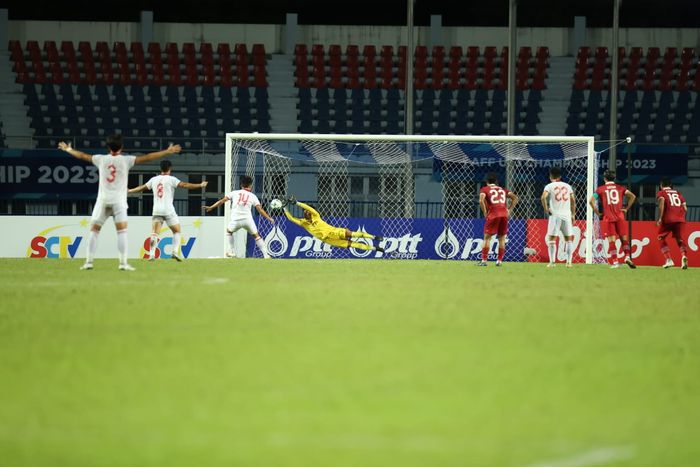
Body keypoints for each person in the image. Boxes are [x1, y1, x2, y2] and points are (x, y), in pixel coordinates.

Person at [58, 135, 182, 271]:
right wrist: (166, 151)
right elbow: (147, 157)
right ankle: (123, 264)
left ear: (108, 147)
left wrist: (68, 149)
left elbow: (83, 156)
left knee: (94, 231)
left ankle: (88, 262)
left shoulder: (101, 159)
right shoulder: (126, 160)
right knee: (122, 232)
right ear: (121, 147)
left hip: (103, 200)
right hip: (119, 202)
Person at [127, 160, 208, 261]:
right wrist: (199, 185)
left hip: (157, 210)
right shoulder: (171, 179)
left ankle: (151, 255)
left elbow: (142, 188)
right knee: (177, 231)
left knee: (154, 233)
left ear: (160, 169)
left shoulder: (154, 179)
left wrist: (130, 191)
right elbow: (184, 185)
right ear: (170, 169)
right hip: (168, 210)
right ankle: (174, 252)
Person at [204, 175, 274, 258]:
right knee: (256, 236)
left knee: (229, 232)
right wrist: (269, 218)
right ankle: (266, 255)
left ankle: (232, 251)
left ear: (241, 185)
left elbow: (221, 201)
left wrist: (211, 207)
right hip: (248, 220)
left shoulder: (234, 193)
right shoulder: (253, 196)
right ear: (250, 185)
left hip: (236, 220)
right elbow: (260, 210)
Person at [283, 196, 385, 253]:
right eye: (304, 211)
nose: (305, 212)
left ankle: (374, 237)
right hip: (329, 240)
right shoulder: (303, 223)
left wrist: (296, 203)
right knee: (354, 245)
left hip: (335, 231)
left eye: (306, 211)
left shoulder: (316, 215)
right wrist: (284, 207)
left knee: (353, 234)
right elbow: (291, 218)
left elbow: (309, 208)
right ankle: (375, 248)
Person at [589, 169, 637, 268]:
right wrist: (626, 208)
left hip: (608, 218)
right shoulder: (620, 188)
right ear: (614, 178)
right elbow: (633, 196)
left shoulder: (600, 189)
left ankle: (615, 262)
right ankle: (627, 257)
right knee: (624, 239)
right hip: (620, 217)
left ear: (604, 178)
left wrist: (597, 212)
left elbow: (591, 201)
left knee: (612, 241)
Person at [477, 172, 519, 267]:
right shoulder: (503, 190)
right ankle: (499, 261)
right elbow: (515, 198)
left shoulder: (485, 189)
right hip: (504, 214)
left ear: (486, 181)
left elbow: (481, 200)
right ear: (496, 181)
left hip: (493, 214)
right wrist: (509, 210)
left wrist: (484, 212)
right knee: (502, 238)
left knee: (487, 238)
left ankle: (484, 261)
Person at [540, 167, 576, 268]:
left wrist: (546, 209)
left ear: (550, 176)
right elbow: (573, 200)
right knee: (569, 239)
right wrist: (573, 214)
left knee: (552, 239)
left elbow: (543, 197)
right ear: (560, 176)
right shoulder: (568, 186)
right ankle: (569, 262)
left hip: (555, 216)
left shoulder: (549, 186)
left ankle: (552, 262)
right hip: (567, 216)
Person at [656, 177, 688, 269]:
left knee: (660, 237)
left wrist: (660, 218)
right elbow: (685, 209)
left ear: (661, 185)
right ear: (670, 185)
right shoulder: (678, 193)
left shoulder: (661, 193)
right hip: (680, 220)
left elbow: (662, 203)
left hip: (668, 219)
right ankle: (684, 256)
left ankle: (669, 260)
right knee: (680, 240)